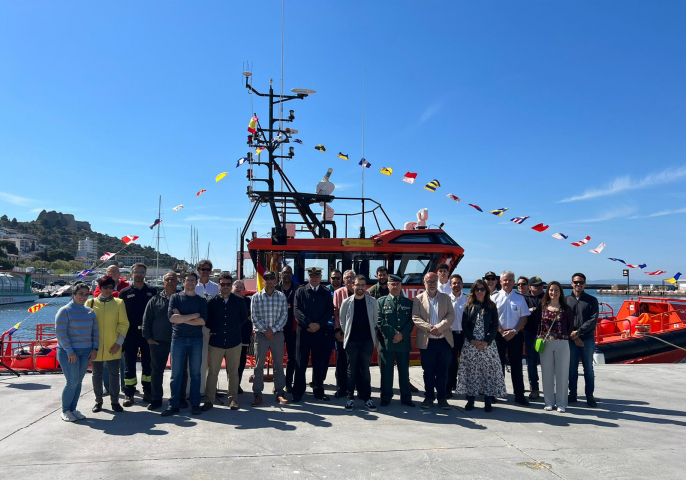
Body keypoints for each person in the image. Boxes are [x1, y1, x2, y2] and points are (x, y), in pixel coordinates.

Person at [163, 272, 207, 417]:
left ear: (196, 283)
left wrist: (182, 317)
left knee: (195, 373)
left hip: (196, 339)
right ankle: (173, 405)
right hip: (178, 339)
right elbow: (172, 319)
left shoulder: (201, 300)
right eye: (188, 280)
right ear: (183, 282)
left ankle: (195, 404)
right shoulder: (175, 297)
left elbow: (202, 322)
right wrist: (194, 316)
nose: (190, 283)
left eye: (193, 281)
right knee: (175, 374)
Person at [457, 280, 505, 412]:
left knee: (487, 373)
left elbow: (495, 326)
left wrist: (487, 341)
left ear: (486, 291)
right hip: (471, 344)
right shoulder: (469, 305)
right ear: (473, 291)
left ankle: (488, 400)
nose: (480, 292)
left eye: (482, 289)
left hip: (487, 345)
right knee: (472, 372)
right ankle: (471, 400)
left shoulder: (491, 306)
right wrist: (472, 340)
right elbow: (465, 325)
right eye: (477, 289)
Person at [203, 272, 249, 411]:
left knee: (233, 372)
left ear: (231, 285)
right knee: (213, 372)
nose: (226, 287)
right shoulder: (211, 302)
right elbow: (207, 321)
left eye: (228, 284)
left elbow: (243, 319)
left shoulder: (239, 301)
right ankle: (209, 400)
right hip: (216, 341)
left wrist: (231, 329)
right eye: (223, 284)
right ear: (219, 285)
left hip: (234, 341)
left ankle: (233, 399)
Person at [55, 282, 99, 421]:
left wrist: (95, 349)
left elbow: (95, 332)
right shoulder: (65, 311)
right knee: (72, 381)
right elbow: (61, 333)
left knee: (79, 381)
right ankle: (65, 410)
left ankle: (73, 409)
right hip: (69, 352)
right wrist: (69, 351)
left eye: (86, 294)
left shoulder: (90, 312)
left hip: (85, 352)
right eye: (81, 294)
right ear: (73, 294)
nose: (83, 297)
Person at [142, 271, 187, 410]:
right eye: (167, 279)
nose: (170, 282)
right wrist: (148, 338)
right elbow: (146, 319)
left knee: (181, 371)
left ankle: (180, 398)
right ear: (163, 283)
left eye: (173, 279)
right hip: (158, 341)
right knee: (156, 371)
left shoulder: (183, 299)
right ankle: (156, 399)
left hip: (179, 341)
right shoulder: (154, 300)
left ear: (178, 282)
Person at [412, 272, 455, 410]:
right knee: (428, 371)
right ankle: (429, 397)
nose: (432, 284)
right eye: (429, 281)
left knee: (443, 371)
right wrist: (431, 328)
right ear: (424, 283)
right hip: (427, 341)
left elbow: (451, 316)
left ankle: (442, 398)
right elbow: (416, 318)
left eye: (434, 281)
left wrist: (439, 327)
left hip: (443, 341)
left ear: (437, 282)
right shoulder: (418, 299)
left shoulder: (446, 298)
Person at [88, 276, 129, 414]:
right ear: (99, 288)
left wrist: (118, 343)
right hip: (95, 346)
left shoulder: (119, 302)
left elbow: (123, 324)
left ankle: (115, 401)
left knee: (114, 374)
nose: (108, 290)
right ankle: (98, 401)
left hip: (113, 345)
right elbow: (86, 324)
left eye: (110, 287)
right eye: (105, 287)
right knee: (97, 374)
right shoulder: (91, 303)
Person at [293, 267, 334, 402]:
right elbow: (297, 310)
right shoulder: (301, 291)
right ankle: (298, 392)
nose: (315, 278)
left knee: (319, 362)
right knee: (300, 362)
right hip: (304, 332)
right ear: (308, 277)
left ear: (321, 277)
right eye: (312, 276)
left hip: (320, 332)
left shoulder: (326, 292)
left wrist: (319, 324)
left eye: (317, 276)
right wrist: (308, 324)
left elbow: (329, 311)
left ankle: (318, 390)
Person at [338, 275, 379, 411]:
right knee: (351, 370)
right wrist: (347, 333)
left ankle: (367, 398)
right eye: (357, 285)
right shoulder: (346, 302)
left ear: (365, 286)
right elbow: (342, 320)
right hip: (352, 342)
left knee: (365, 370)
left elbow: (375, 320)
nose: (360, 287)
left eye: (363, 285)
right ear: (352, 285)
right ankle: (350, 398)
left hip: (367, 341)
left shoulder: (372, 302)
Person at [118, 263, 156, 406]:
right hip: (130, 333)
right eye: (136, 271)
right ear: (131, 274)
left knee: (148, 364)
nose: (139, 274)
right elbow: (120, 315)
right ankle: (129, 394)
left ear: (145, 274)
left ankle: (148, 391)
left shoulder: (152, 291)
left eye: (142, 272)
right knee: (129, 364)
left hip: (147, 333)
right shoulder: (125, 293)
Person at [250, 271, 290, 406]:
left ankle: (279, 392)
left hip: (277, 334)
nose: (269, 281)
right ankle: (257, 394)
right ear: (263, 281)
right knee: (259, 365)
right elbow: (254, 316)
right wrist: (266, 330)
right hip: (261, 334)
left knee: (279, 365)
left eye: (272, 278)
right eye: (266, 278)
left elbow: (284, 316)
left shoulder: (281, 296)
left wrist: (272, 330)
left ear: (275, 280)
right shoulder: (256, 297)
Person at [493, 270, 530, 406]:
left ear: (513, 282)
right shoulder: (494, 298)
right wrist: (502, 331)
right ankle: (497, 392)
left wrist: (514, 331)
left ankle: (519, 395)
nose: (507, 282)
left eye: (510, 280)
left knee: (516, 366)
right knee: (497, 366)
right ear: (500, 282)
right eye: (505, 280)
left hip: (516, 335)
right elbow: (493, 318)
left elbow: (524, 318)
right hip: (499, 336)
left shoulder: (520, 298)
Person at [377, 274, 415, 407]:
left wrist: (401, 335)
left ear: (401, 286)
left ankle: (406, 397)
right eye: (392, 284)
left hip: (403, 343)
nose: (395, 286)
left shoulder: (409, 303)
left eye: (397, 284)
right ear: (388, 286)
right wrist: (393, 334)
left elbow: (411, 321)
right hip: (387, 343)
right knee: (386, 372)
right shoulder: (380, 302)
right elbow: (379, 320)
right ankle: (386, 397)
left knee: (404, 372)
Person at [538, 281, 574, 412]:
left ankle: (561, 403)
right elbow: (538, 324)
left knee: (562, 373)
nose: (553, 292)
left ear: (560, 292)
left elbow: (570, 326)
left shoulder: (566, 309)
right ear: (548, 292)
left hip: (562, 342)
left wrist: (566, 336)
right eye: (551, 290)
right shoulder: (542, 307)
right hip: (546, 343)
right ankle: (548, 402)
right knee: (546, 373)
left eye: (556, 290)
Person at [94, 264, 129, 395]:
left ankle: (125, 386)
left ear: (120, 273)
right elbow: (97, 296)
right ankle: (108, 388)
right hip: (104, 333)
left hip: (121, 330)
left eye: (115, 271)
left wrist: (112, 294)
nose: (112, 273)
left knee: (122, 361)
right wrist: (118, 294)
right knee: (104, 364)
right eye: (110, 271)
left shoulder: (126, 285)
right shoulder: (100, 285)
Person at [567, 272, 599, 408]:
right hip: (571, 339)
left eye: (580, 282)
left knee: (588, 369)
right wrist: (573, 335)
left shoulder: (592, 300)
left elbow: (593, 319)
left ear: (585, 284)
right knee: (571, 368)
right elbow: (563, 320)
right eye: (575, 282)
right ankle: (572, 394)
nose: (578, 284)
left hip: (587, 338)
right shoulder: (566, 300)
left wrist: (579, 332)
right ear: (571, 284)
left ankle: (589, 396)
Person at [332, 269, 359, 398]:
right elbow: (335, 313)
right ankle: (342, 388)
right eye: (347, 278)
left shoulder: (364, 293)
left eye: (352, 277)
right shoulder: (338, 293)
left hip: (358, 334)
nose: (350, 280)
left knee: (358, 362)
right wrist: (337, 330)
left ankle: (359, 388)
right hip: (342, 334)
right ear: (344, 281)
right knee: (341, 362)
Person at [195, 259, 219, 396]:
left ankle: (210, 389)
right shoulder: (192, 285)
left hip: (210, 328)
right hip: (195, 326)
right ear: (199, 271)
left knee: (211, 360)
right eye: (203, 269)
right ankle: (197, 388)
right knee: (196, 359)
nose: (205, 272)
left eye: (207, 269)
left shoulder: (215, 287)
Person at [276, 265, 298, 393]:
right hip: (278, 328)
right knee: (277, 358)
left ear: (292, 274)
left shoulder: (297, 288)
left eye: (289, 272)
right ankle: (278, 384)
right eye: (284, 272)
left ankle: (288, 383)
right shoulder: (275, 288)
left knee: (292, 358)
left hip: (292, 328)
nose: (287, 274)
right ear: (281, 274)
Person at [523, 276, 545, 400]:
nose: (539, 287)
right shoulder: (525, 300)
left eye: (541, 285)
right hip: (530, 333)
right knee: (531, 362)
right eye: (536, 285)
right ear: (530, 287)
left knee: (548, 363)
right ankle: (534, 387)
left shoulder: (548, 298)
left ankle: (549, 387)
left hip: (546, 335)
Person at [447, 274, 468, 397]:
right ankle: (449, 388)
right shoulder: (445, 300)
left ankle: (466, 390)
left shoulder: (468, 299)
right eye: (454, 283)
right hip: (450, 335)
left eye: (458, 283)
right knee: (451, 364)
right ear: (450, 285)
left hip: (465, 335)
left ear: (462, 285)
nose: (456, 285)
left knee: (466, 364)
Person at [232, 279, 252, 393]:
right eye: (236, 286)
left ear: (244, 289)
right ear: (232, 288)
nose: (239, 288)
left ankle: (237, 383)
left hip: (243, 335)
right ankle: (232, 384)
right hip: (230, 336)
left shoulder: (248, 301)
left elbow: (250, 316)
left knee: (241, 361)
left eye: (241, 287)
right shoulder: (228, 300)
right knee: (231, 362)